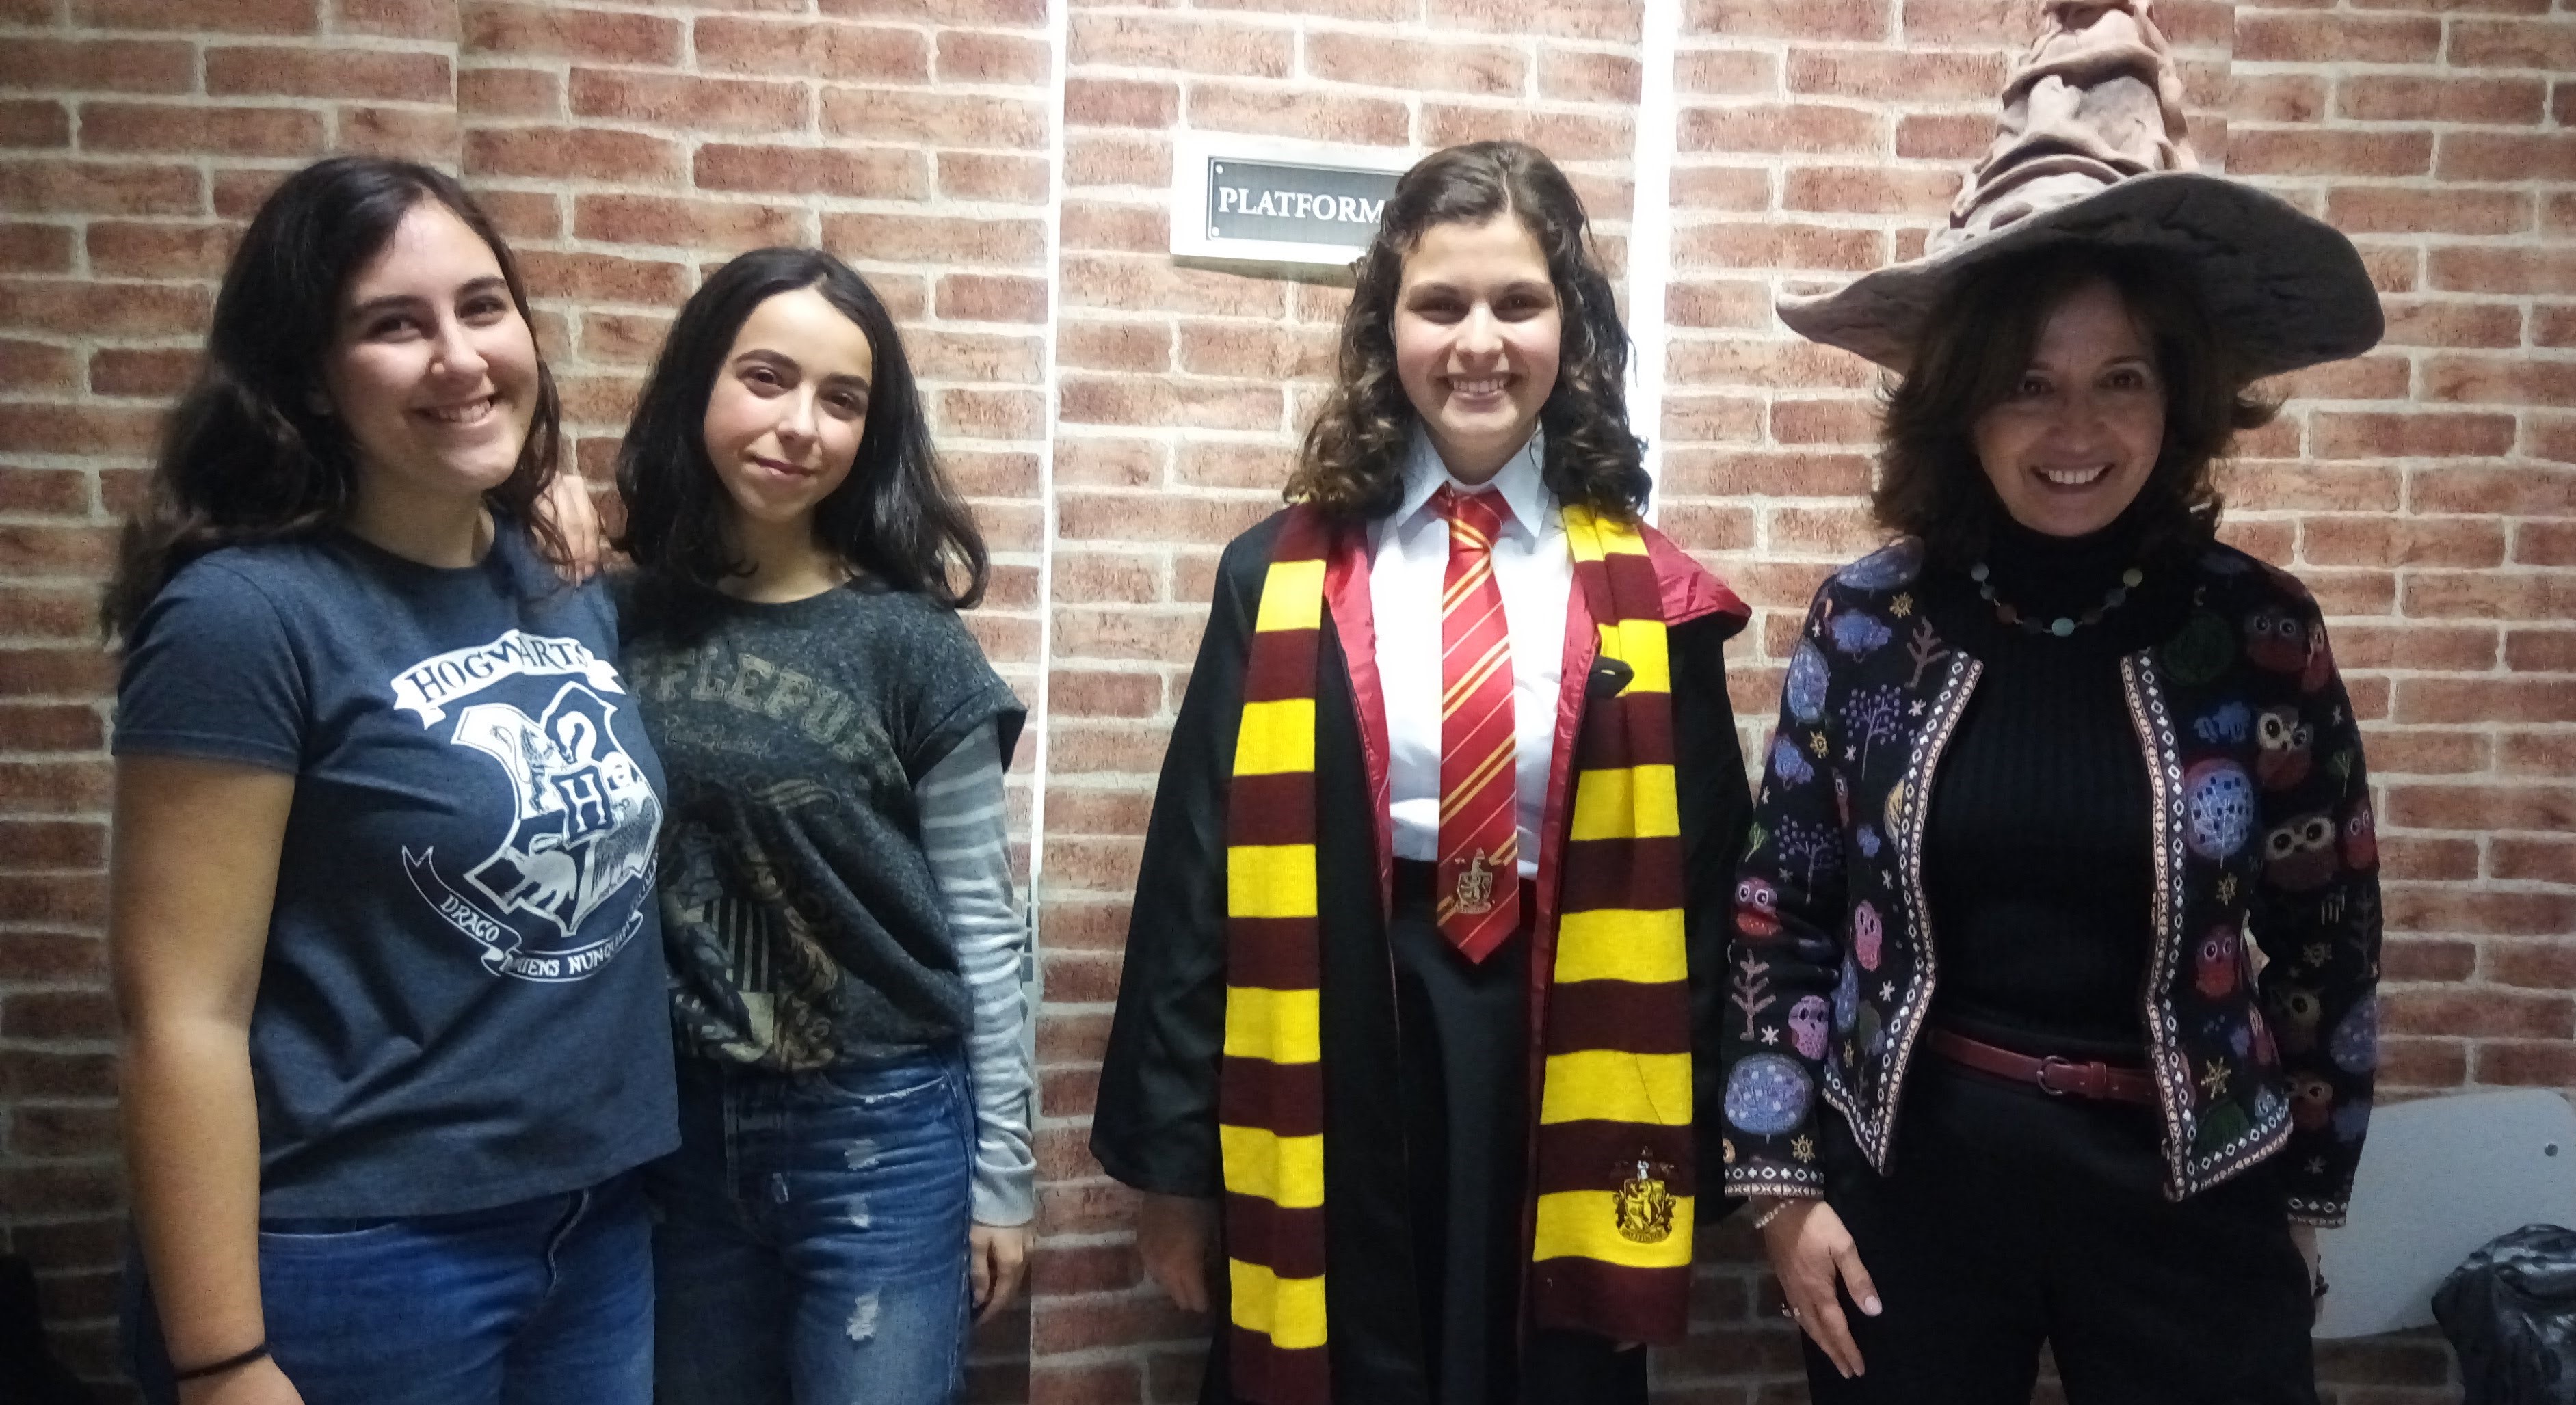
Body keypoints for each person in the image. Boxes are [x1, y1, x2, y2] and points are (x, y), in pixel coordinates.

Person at [1722, 4, 2386, 1402]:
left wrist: (2310, 1193)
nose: (2075, 430)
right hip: (1912, 1188)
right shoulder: (1870, 624)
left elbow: (2326, 934)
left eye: (2118, 380)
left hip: (2193, 1196)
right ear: (1963, 402)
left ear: (2177, 398)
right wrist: (1781, 1184)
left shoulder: (2258, 636)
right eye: (2028, 384)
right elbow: (1783, 913)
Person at [1093, 141, 1754, 1405]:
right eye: (1440, 304)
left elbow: (1706, 888)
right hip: (1336, 1018)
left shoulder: (1652, 599)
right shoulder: (1276, 581)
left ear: (1570, 327)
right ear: (1385, 328)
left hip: (1560, 1039)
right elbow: (1194, 881)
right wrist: (1174, 1170)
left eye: (1519, 302)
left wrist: (1693, 1146)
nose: (1478, 343)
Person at [103, 156, 676, 1405]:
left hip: (595, 1229)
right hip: (356, 1260)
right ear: (310, 376)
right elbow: (180, 1015)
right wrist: (222, 1359)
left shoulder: (557, 580)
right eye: (394, 326)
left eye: (483, 307)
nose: (459, 358)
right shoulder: (243, 618)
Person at [613, 247, 1032, 1405]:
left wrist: (1005, 1177)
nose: (801, 426)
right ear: (699, 382)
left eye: (841, 400)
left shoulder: (912, 643)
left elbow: (984, 926)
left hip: (881, 1133)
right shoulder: (616, 623)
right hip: (679, 1136)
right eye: (766, 379)